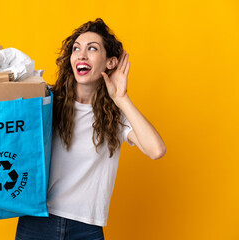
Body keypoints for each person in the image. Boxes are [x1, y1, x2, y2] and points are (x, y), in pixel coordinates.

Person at [15, 18, 166, 240]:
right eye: (76, 49)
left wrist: (121, 98)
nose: (81, 55)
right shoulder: (46, 101)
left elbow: (156, 150)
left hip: (86, 229)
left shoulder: (115, 115)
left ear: (111, 63)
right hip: (37, 222)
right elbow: (7, 131)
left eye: (92, 49)